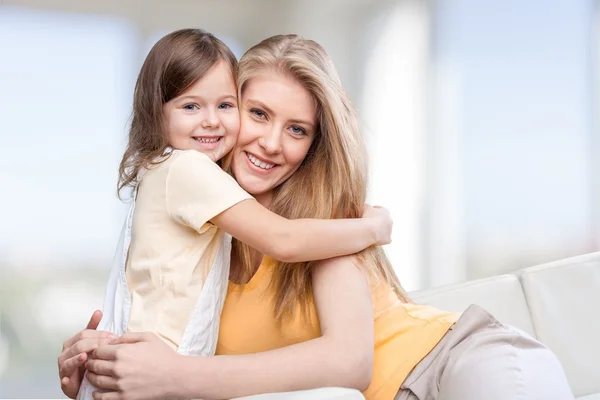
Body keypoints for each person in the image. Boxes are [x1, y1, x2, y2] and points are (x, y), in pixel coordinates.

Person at [59, 34, 574, 400]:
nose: (271, 143)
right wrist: (103, 361)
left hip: (455, 367)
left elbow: (349, 364)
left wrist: (174, 375)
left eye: (298, 130)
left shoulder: (320, 224)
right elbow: (166, 342)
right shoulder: (197, 242)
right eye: (257, 113)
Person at [73, 29, 394, 400]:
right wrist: (375, 227)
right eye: (257, 113)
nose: (210, 121)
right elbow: (283, 239)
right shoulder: (188, 173)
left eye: (223, 106)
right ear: (155, 113)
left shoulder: (195, 205)